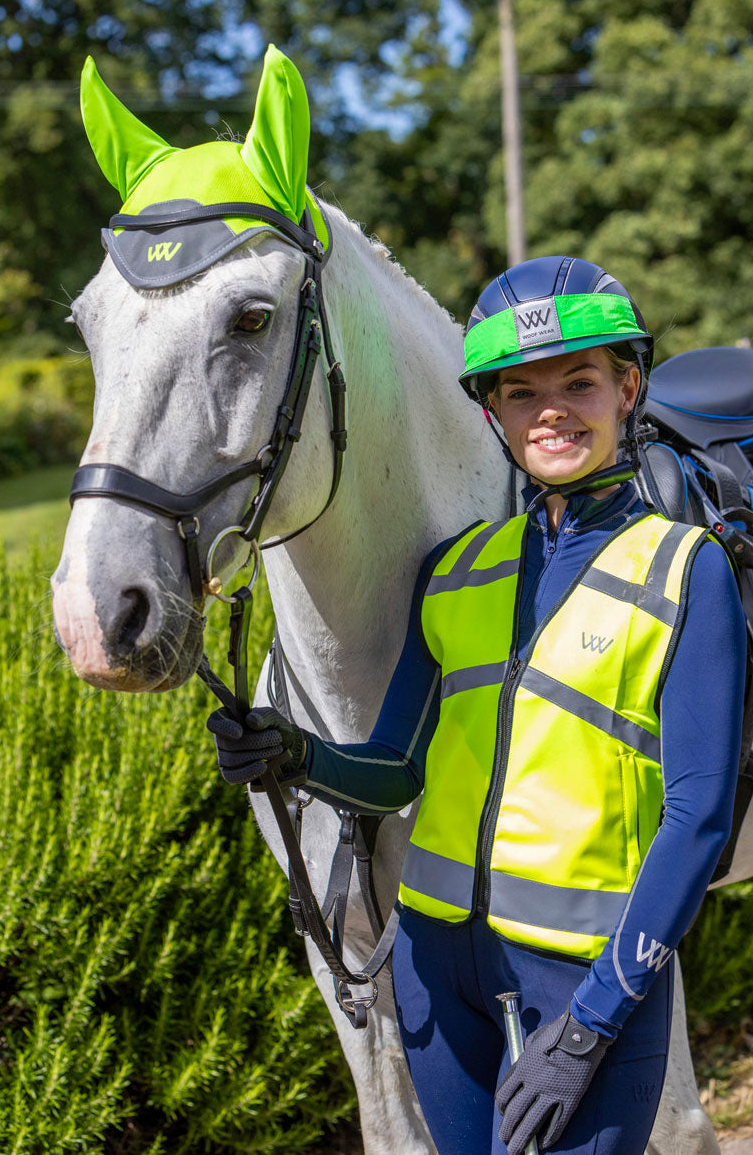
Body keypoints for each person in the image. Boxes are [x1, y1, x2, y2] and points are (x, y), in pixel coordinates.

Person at [208, 255, 746, 1155]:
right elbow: (395, 772)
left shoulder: (689, 570)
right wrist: (297, 757)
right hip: (432, 973)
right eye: (520, 393)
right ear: (491, 413)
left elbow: (696, 820)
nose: (552, 411)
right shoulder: (457, 570)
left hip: (585, 981)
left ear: (629, 388)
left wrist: (592, 1025)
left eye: (580, 381)